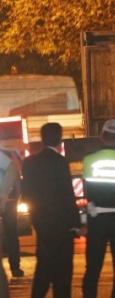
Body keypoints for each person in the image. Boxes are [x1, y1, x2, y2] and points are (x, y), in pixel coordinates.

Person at [20, 122, 82, 298]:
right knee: (62, 275)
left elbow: (26, 194)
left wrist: (36, 218)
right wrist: (76, 224)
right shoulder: (60, 162)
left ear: (41, 138)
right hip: (62, 228)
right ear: (60, 140)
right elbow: (67, 196)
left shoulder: (30, 162)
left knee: (43, 271)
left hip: (42, 226)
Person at [82, 119, 115, 298]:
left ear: (102, 135)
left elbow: (87, 190)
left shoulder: (89, 160)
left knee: (92, 268)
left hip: (97, 220)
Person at [0, 148, 24, 278]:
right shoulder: (8, 155)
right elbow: (16, 174)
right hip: (9, 201)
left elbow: (13, 171)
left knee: (11, 235)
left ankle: (15, 266)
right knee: (11, 235)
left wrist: (3, 196)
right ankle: (15, 267)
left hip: (6, 200)